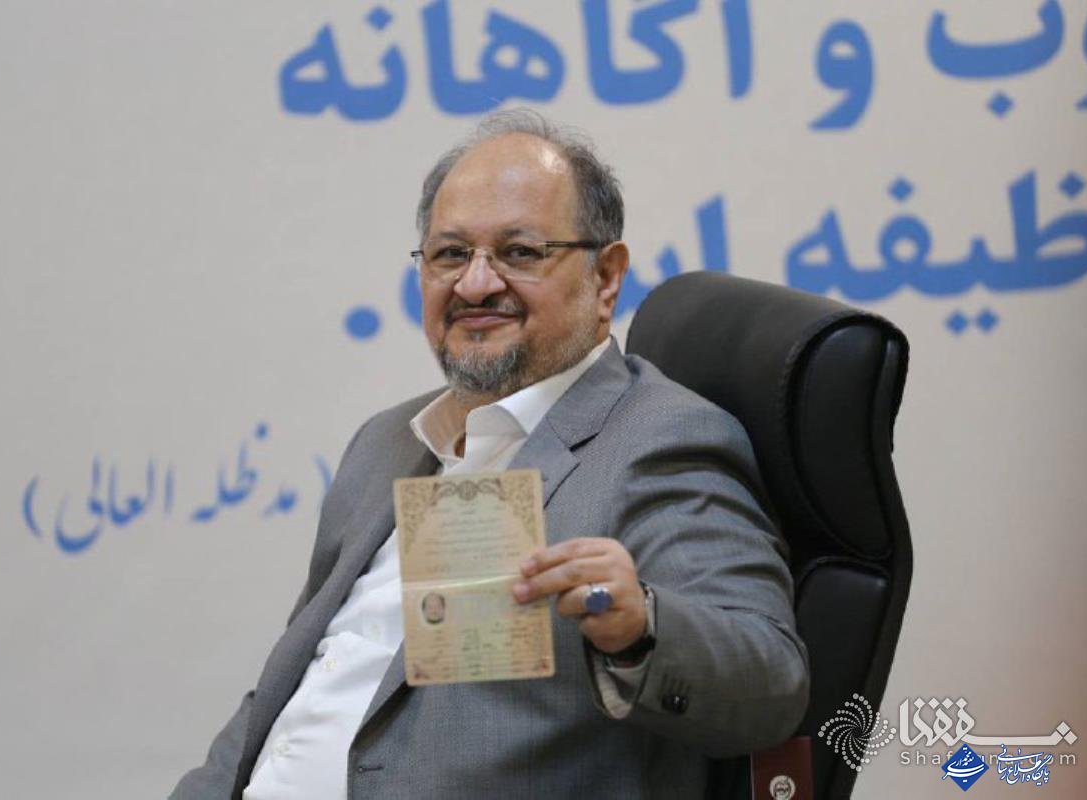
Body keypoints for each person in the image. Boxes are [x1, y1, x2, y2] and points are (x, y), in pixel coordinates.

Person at [172, 110, 808, 799]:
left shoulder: (661, 441)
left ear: (605, 278)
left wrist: (641, 626)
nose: (475, 284)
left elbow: (772, 684)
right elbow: (293, 689)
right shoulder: (386, 442)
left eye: (520, 253)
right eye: (450, 254)